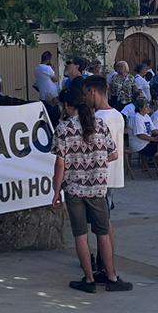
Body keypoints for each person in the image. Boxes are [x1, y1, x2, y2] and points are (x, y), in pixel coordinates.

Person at [52, 80, 131, 293]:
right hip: (97, 188)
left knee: (80, 235)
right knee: (103, 233)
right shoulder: (100, 125)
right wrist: (96, 162)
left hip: (74, 190)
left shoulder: (63, 129)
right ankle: (112, 277)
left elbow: (60, 163)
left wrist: (56, 191)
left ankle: (88, 279)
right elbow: (113, 154)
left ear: (67, 106)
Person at [131, 93, 158, 179]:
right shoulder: (136, 117)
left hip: (148, 142)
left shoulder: (146, 116)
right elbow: (140, 135)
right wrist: (153, 139)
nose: (149, 108)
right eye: (147, 106)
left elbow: (153, 130)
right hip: (140, 145)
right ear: (141, 108)